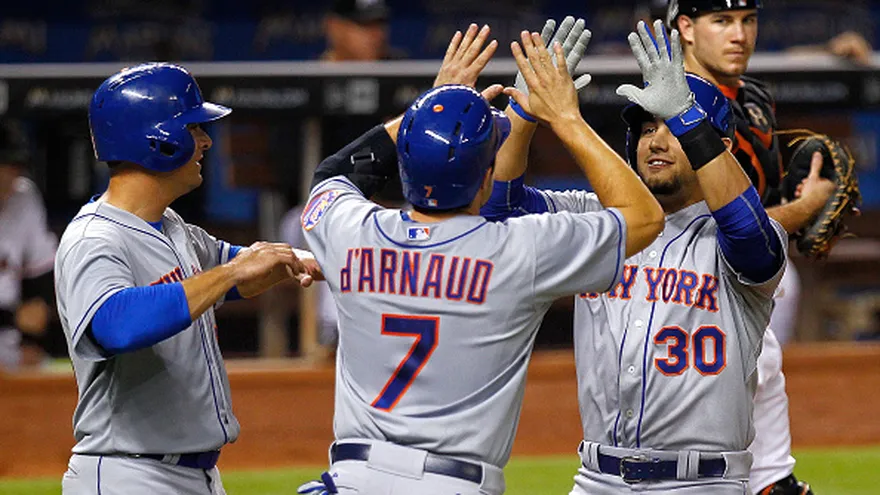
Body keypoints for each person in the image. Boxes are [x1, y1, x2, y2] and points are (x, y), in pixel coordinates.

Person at [297, 23, 664, 495]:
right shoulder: (520, 249)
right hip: (453, 485)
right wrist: (566, 118)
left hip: (350, 478)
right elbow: (644, 218)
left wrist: (429, 108)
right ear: (487, 179)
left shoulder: (351, 231)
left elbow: (333, 175)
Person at [486, 20, 788, 493]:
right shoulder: (596, 220)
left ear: (719, 147)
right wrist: (524, 113)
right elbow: (497, 211)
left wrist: (690, 119)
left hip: (700, 483)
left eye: (676, 127)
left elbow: (752, 240)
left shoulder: (739, 236)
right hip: (596, 479)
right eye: (648, 127)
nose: (658, 140)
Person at [56, 63, 314, 495]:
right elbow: (114, 324)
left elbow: (243, 272)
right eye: (194, 129)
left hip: (194, 476)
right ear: (159, 141)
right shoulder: (94, 238)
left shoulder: (172, 226)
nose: (206, 141)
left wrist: (313, 260)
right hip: (130, 476)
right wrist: (231, 271)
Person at [667, 1, 848, 492]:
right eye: (722, 21)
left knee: (759, 382)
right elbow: (718, 231)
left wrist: (827, 50)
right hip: (697, 278)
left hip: (759, 268)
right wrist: (805, 207)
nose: (739, 35)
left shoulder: (749, 96)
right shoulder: (668, 107)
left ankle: (770, 480)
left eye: (748, 21)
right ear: (685, 27)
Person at [0, 120, 57, 372]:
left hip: (9, 348)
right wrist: (14, 318)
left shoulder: (23, 198)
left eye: (16, 167)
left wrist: (31, 340)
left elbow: (42, 276)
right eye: (6, 166)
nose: (13, 176)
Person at [322, 0, 404, 61]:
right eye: (365, 24)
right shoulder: (314, 79)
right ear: (336, 28)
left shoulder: (403, 74)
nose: (378, 34)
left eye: (381, 24)